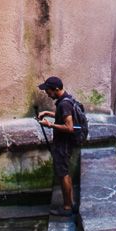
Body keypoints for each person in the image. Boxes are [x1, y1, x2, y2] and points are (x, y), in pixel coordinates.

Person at [37, 76, 78, 216]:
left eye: (48, 90)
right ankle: (69, 202)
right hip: (64, 143)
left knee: (63, 173)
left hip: (63, 144)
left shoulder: (63, 104)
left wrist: (50, 125)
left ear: (56, 89)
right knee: (64, 172)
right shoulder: (65, 100)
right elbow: (63, 116)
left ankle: (67, 207)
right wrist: (49, 113)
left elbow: (69, 127)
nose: (47, 93)